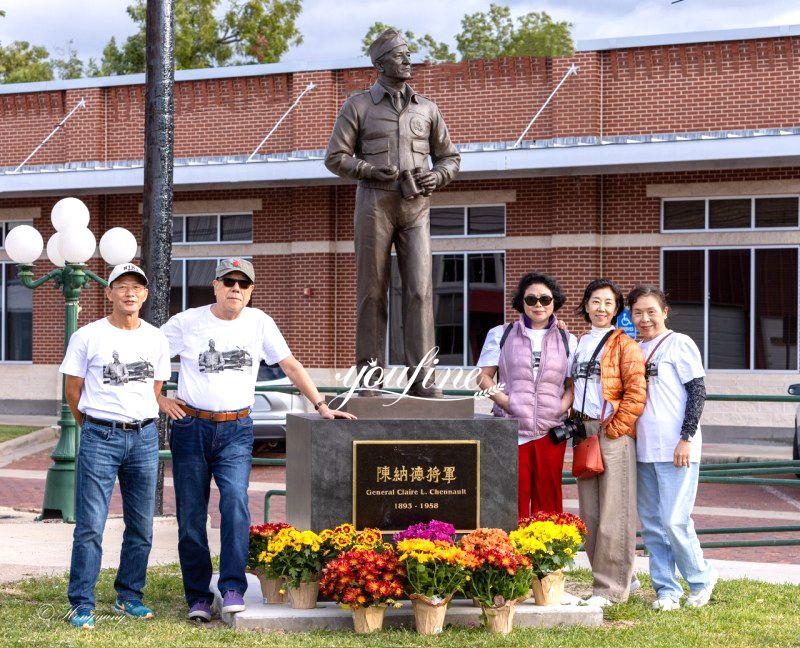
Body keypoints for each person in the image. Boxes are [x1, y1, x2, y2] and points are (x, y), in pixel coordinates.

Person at [158, 258, 356, 621]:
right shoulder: (187, 322)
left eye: (243, 284)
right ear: (215, 285)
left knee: (235, 504)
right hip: (191, 427)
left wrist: (322, 404)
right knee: (190, 516)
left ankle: (232, 586)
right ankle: (198, 596)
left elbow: (290, 364)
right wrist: (160, 398)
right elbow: (152, 355)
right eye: (229, 281)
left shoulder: (260, 322)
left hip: (236, 429)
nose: (236, 288)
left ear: (250, 291)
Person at [325, 28, 461, 397]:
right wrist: (369, 171)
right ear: (381, 62)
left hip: (416, 207)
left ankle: (423, 379)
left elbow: (450, 158)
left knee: (419, 290)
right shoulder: (358, 105)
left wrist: (436, 176)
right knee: (372, 292)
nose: (408, 60)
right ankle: (370, 379)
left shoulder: (427, 108)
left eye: (409, 54)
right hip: (375, 205)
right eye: (401, 55)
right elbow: (335, 157)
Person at [60, 263, 171, 629]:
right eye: (121, 287)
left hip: (143, 438)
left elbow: (155, 388)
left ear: (145, 295)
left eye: (136, 288)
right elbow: (73, 391)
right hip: (100, 437)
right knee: (90, 525)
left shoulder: (156, 338)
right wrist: (93, 424)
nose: (129, 293)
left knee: (141, 525)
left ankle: (129, 596)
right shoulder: (88, 336)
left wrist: (135, 419)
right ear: (108, 293)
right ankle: (81, 604)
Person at [628, 285, 718, 610]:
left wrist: (686, 437)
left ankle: (701, 578)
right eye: (638, 312)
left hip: (678, 448)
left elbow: (697, 392)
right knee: (652, 524)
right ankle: (666, 590)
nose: (645, 318)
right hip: (644, 451)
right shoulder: (633, 349)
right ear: (631, 316)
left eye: (651, 311)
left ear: (664, 312)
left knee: (675, 521)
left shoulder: (680, 343)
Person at [476, 272, 577, 517]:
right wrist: (507, 402)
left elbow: (572, 385)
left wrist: (560, 406)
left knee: (548, 504)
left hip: (550, 431)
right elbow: (482, 377)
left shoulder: (568, 339)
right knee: (513, 502)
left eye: (545, 299)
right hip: (511, 429)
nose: (539, 305)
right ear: (521, 302)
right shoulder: (501, 333)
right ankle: (513, 556)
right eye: (531, 300)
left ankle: (550, 555)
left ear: (555, 302)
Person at [572, 278, 646, 607]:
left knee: (615, 512)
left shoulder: (625, 345)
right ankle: (616, 576)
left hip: (612, 433)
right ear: (586, 304)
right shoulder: (579, 343)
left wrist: (614, 429)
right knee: (591, 515)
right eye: (596, 301)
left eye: (609, 303)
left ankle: (610, 591)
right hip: (583, 432)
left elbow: (636, 392)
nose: (601, 308)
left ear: (617, 310)